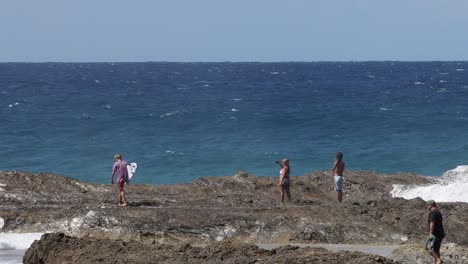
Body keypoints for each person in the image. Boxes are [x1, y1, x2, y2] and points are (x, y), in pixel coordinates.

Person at [426, 200, 445, 264]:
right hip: (440, 234)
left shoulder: (433, 213)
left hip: (435, 234)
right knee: (436, 249)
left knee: (429, 249)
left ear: (430, 205)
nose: (427, 207)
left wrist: (431, 234)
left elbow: (432, 223)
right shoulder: (438, 212)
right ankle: (437, 262)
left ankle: (438, 260)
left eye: (427, 205)